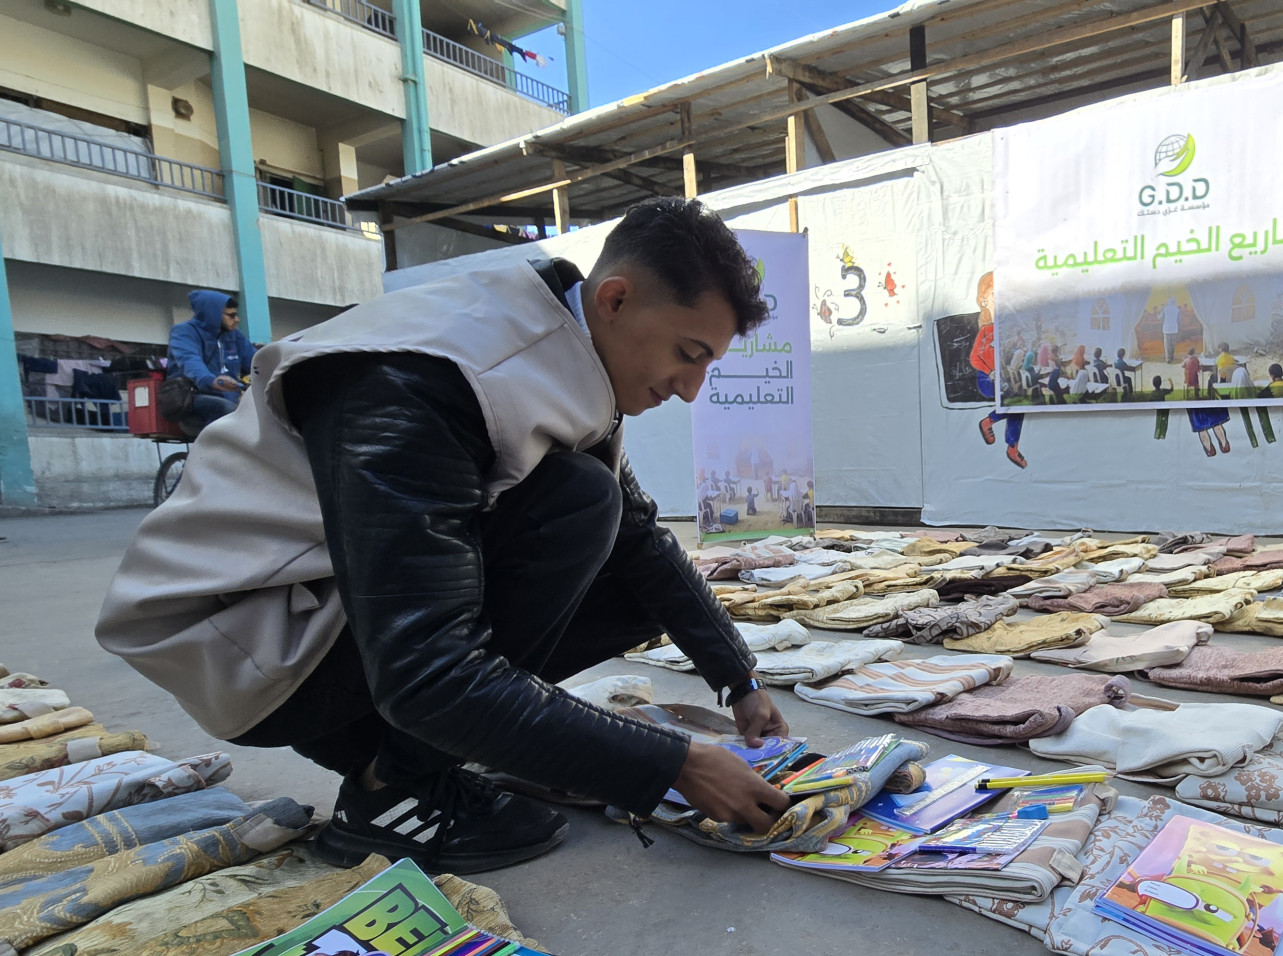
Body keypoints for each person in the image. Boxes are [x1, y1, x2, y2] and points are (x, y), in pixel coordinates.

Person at [97, 198, 793, 874]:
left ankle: (414, 750)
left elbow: (641, 538)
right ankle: (391, 792)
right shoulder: (429, 377)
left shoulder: (560, 348)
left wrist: (740, 678)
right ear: (614, 299)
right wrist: (670, 761)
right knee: (580, 502)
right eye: (688, 353)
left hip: (332, 614)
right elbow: (426, 670)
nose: (693, 388)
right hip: (250, 646)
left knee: (615, 540)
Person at [168, 290, 257, 434]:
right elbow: (190, 360)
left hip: (230, 396)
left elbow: (256, 360)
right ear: (213, 314)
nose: (237, 319)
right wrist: (210, 380)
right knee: (227, 410)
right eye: (231, 315)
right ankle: (214, 453)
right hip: (192, 397)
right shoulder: (184, 332)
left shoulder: (234, 336)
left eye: (236, 314)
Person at [968, 272, 1027, 469]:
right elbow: (974, 358)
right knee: (1016, 401)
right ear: (984, 300)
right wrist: (990, 371)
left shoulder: (1009, 330)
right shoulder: (985, 331)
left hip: (1004, 377)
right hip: (987, 379)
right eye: (995, 294)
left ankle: (1012, 446)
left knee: (1019, 402)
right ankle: (989, 421)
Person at [1160, 299, 1181, 364]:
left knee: (1167, 345)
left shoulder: (1165, 309)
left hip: (1166, 329)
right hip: (1174, 329)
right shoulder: (1177, 309)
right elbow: (1179, 320)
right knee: (1173, 345)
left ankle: (1168, 359)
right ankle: (1172, 357)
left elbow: (1160, 317)